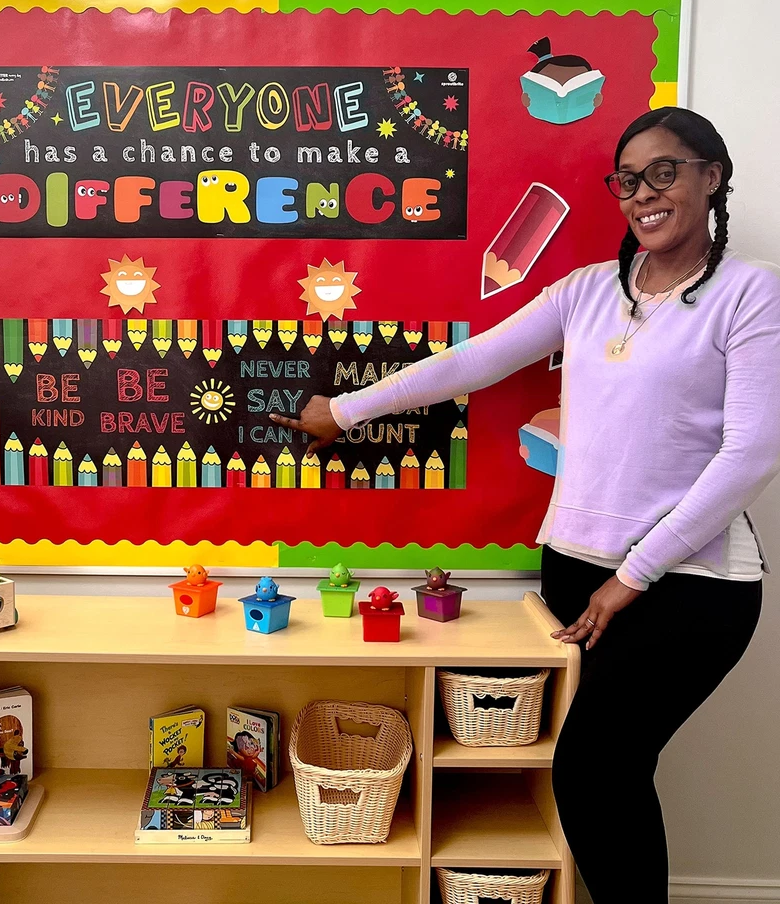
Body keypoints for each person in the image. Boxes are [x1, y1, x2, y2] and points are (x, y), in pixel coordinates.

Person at [270, 107, 780, 904]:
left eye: (664, 172)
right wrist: (345, 410)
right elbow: (470, 362)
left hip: (688, 584)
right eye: (628, 181)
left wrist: (635, 574)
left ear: (711, 177)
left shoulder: (750, 294)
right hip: (575, 571)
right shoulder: (587, 292)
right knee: (611, 772)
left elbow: (752, 454)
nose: (643, 194)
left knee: (595, 767)